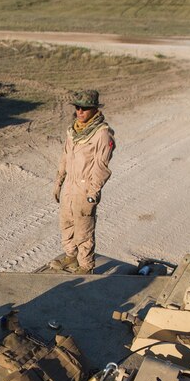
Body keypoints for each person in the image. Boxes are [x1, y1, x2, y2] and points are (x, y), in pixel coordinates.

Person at [49, 90, 116, 275]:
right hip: (70, 185)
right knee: (66, 223)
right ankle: (71, 257)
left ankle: (86, 266)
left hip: (85, 187)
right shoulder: (73, 131)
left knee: (83, 230)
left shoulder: (102, 135)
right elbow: (65, 157)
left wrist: (92, 193)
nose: (80, 112)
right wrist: (58, 182)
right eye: (77, 108)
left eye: (85, 108)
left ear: (94, 109)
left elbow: (101, 168)